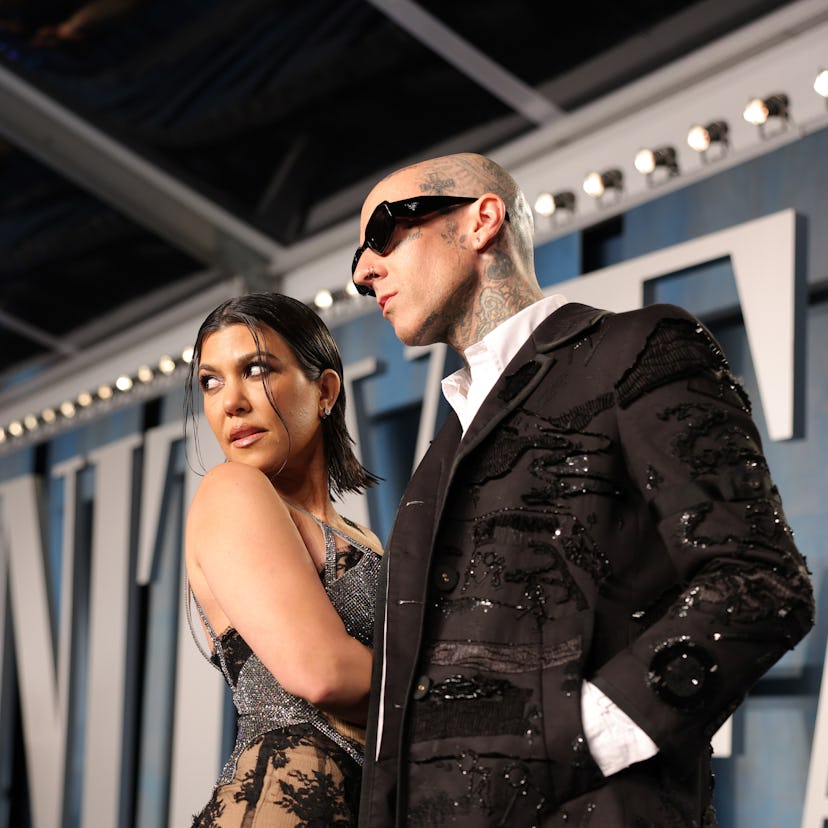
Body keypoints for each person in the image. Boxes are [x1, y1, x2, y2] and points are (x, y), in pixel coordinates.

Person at [351, 152, 815, 826]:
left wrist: (575, 741)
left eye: (384, 232)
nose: (364, 271)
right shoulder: (444, 449)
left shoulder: (635, 348)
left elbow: (761, 580)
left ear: (482, 220)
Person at [183, 291, 383, 827]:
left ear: (325, 391)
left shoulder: (365, 539)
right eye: (211, 382)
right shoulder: (231, 489)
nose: (230, 402)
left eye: (256, 369)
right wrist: (470, 688)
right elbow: (323, 673)